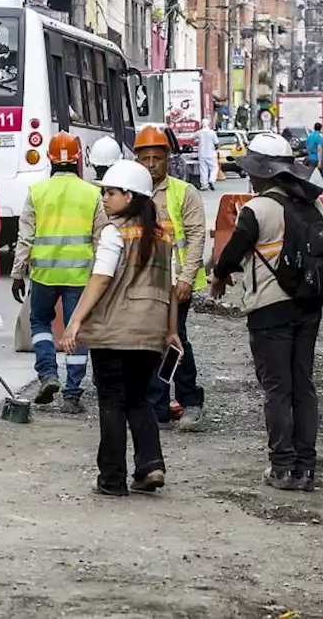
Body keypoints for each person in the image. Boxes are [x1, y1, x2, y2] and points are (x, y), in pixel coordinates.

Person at [211, 133, 323, 492]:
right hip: (310, 307)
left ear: (261, 174)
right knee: (303, 387)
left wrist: (218, 278)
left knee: (277, 389)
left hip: (270, 309)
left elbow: (230, 257)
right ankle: (305, 469)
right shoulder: (316, 205)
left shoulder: (256, 210)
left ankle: (282, 468)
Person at [60, 160, 181, 496]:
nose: (104, 199)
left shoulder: (114, 232)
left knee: (112, 402)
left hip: (114, 332)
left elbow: (101, 278)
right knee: (138, 400)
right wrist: (171, 332)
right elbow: (170, 289)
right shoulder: (164, 237)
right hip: (150, 334)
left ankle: (112, 479)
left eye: (110, 193)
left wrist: (75, 321)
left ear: (130, 196)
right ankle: (150, 466)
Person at [11, 132, 110, 414]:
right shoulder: (93, 193)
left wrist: (18, 272)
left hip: (43, 274)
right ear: (78, 159)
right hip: (80, 277)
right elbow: (99, 238)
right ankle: (72, 395)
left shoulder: (37, 192)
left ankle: (48, 374)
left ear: (49, 159)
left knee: (40, 323)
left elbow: (25, 237)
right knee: (75, 331)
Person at [136, 125, 209, 431]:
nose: (151, 164)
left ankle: (190, 401)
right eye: (145, 158)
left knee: (175, 341)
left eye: (156, 158)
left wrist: (187, 279)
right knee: (150, 343)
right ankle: (158, 406)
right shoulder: (133, 192)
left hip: (177, 282)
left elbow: (195, 237)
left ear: (167, 158)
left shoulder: (183, 192)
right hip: (144, 284)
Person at [304, 122, 323, 194]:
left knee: (307, 176)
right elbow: (319, 149)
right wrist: (320, 161)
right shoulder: (319, 137)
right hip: (318, 159)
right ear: (320, 128)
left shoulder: (309, 137)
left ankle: (303, 189)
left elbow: (308, 149)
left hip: (310, 158)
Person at [195, 118, 219, 191]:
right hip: (211, 153)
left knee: (203, 170)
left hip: (202, 154)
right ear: (208, 124)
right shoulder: (212, 133)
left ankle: (204, 185)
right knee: (214, 168)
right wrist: (217, 149)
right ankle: (211, 180)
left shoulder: (199, 132)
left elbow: (191, 137)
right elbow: (217, 143)